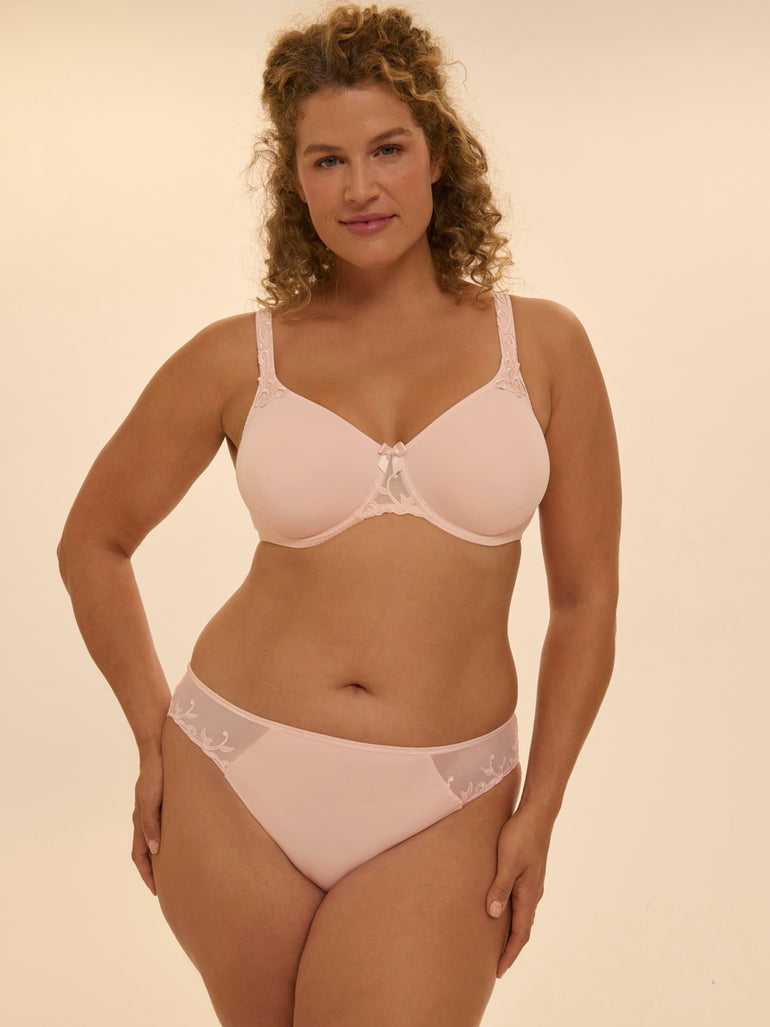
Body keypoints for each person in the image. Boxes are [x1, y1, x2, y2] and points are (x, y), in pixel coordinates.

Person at [58, 5, 621, 1025]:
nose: (360, 187)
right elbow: (93, 541)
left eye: (387, 149)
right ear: (295, 182)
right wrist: (153, 737)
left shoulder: (542, 348)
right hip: (232, 772)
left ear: (437, 156)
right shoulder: (237, 358)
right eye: (326, 160)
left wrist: (540, 808)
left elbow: (584, 599)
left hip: (447, 798)